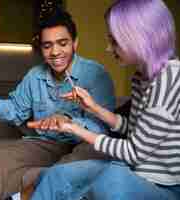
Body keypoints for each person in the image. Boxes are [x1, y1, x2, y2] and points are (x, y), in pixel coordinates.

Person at [28, 0, 180, 199]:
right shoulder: (140, 77)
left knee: (112, 177)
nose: (109, 48)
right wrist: (94, 108)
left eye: (115, 41)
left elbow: (134, 152)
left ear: (140, 38)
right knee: (57, 175)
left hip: (164, 187)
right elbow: (134, 132)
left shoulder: (170, 78)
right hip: (135, 173)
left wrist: (74, 128)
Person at [0, 9, 116, 200]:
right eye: (47, 46)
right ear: (41, 48)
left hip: (84, 144)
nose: (55, 52)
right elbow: (16, 111)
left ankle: (38, 187)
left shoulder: (97, 75)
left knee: (75, 164)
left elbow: (101, 129)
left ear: (75, 43)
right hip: (46, 143)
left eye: (63, 43)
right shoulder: (35, 75)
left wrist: (69, 122)